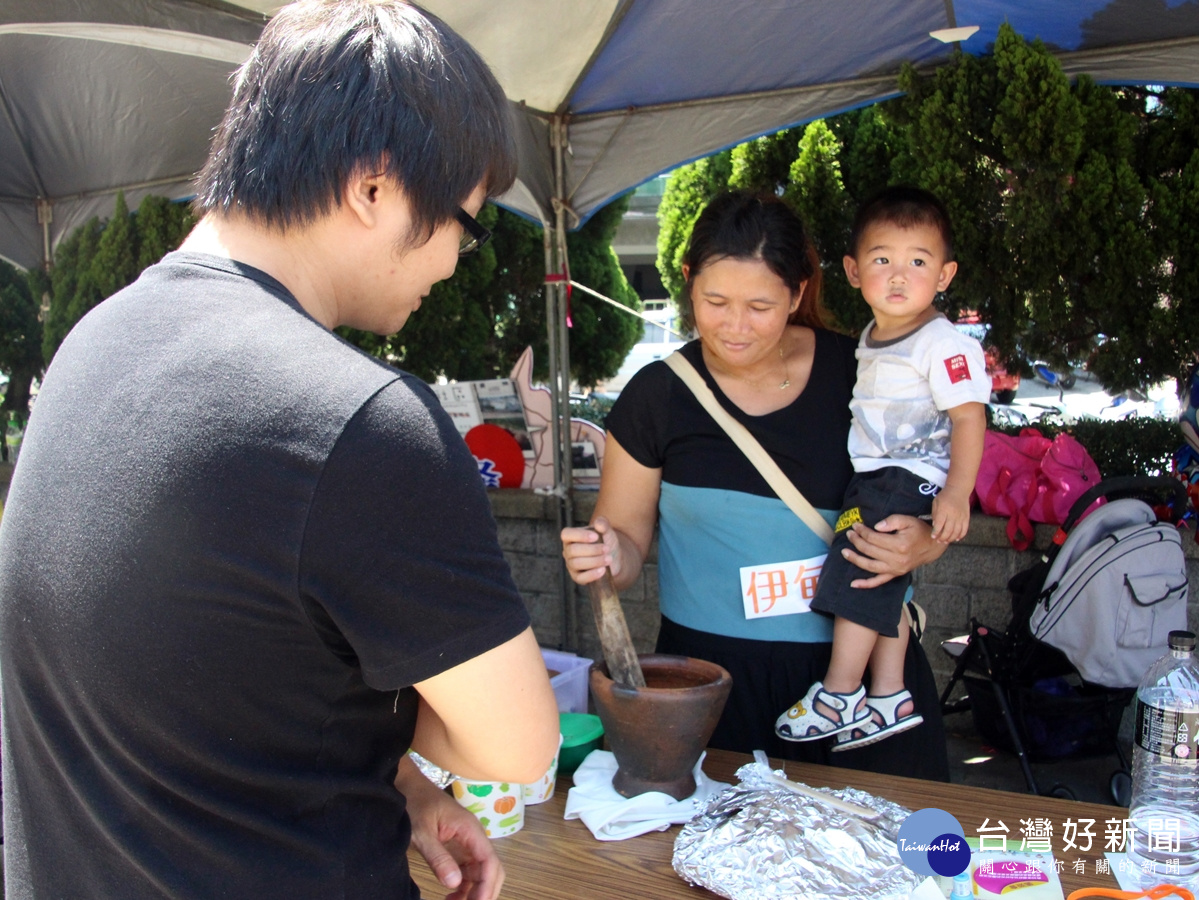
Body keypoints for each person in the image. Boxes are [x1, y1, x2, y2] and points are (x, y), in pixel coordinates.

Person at [0, 3, 560, 899]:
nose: (457, 260)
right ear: (374, 186)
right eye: (469, 222)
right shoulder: (362, 423)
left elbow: (197, 678)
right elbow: (518, 744)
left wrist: (397, 776)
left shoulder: (92, 345)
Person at [561, 190, 951, 778]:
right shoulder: (657, 396)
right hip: (713, 691)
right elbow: (626, 542)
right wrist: (607, 553)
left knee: (900, 858)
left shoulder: (866, 374)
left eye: (761, 306)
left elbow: (932, 489)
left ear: (798, 292)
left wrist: (926, 541)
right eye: (715, 301)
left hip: (862, 688)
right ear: (688, 280)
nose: (734, 327)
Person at [775, 186, 988, 751]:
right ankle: (889, 694)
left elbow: (970, 419)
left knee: (858, 574)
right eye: (882, 260)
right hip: (879, 475)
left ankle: (839, 693)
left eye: (918, 262)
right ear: (852, 270)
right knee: (885, 581)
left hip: (906, 476)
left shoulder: (943, 343)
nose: (899, 275)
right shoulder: (873, 337)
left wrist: (956, 495)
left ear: (944, 275)